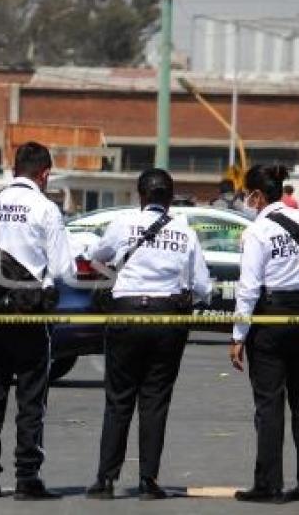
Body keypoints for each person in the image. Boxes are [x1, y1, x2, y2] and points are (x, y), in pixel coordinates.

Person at [85, 169, 212, 501]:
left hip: (125, 315)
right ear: (170, 198)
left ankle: (105, 481)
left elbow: (97, 256)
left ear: (140, 196)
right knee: (155, 401)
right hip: (167, 319)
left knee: (118, 400)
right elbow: (203, 288)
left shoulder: (123, 223)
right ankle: (147, 481)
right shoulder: (185, 232)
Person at [230, 165, 299, 504]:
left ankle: (268, 485)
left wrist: (238, 335)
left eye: (249, 195)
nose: (248, 202)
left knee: (269, 404)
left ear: (258, 196)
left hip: (271, 320)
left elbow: (248, 288)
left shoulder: (257, 232)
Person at [0, 141, 78, 501]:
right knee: (32, 398)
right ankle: (26, 478)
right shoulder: (46, 209)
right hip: (31, 315)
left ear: (14, 169)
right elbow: (63, 268)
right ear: (44, 174)